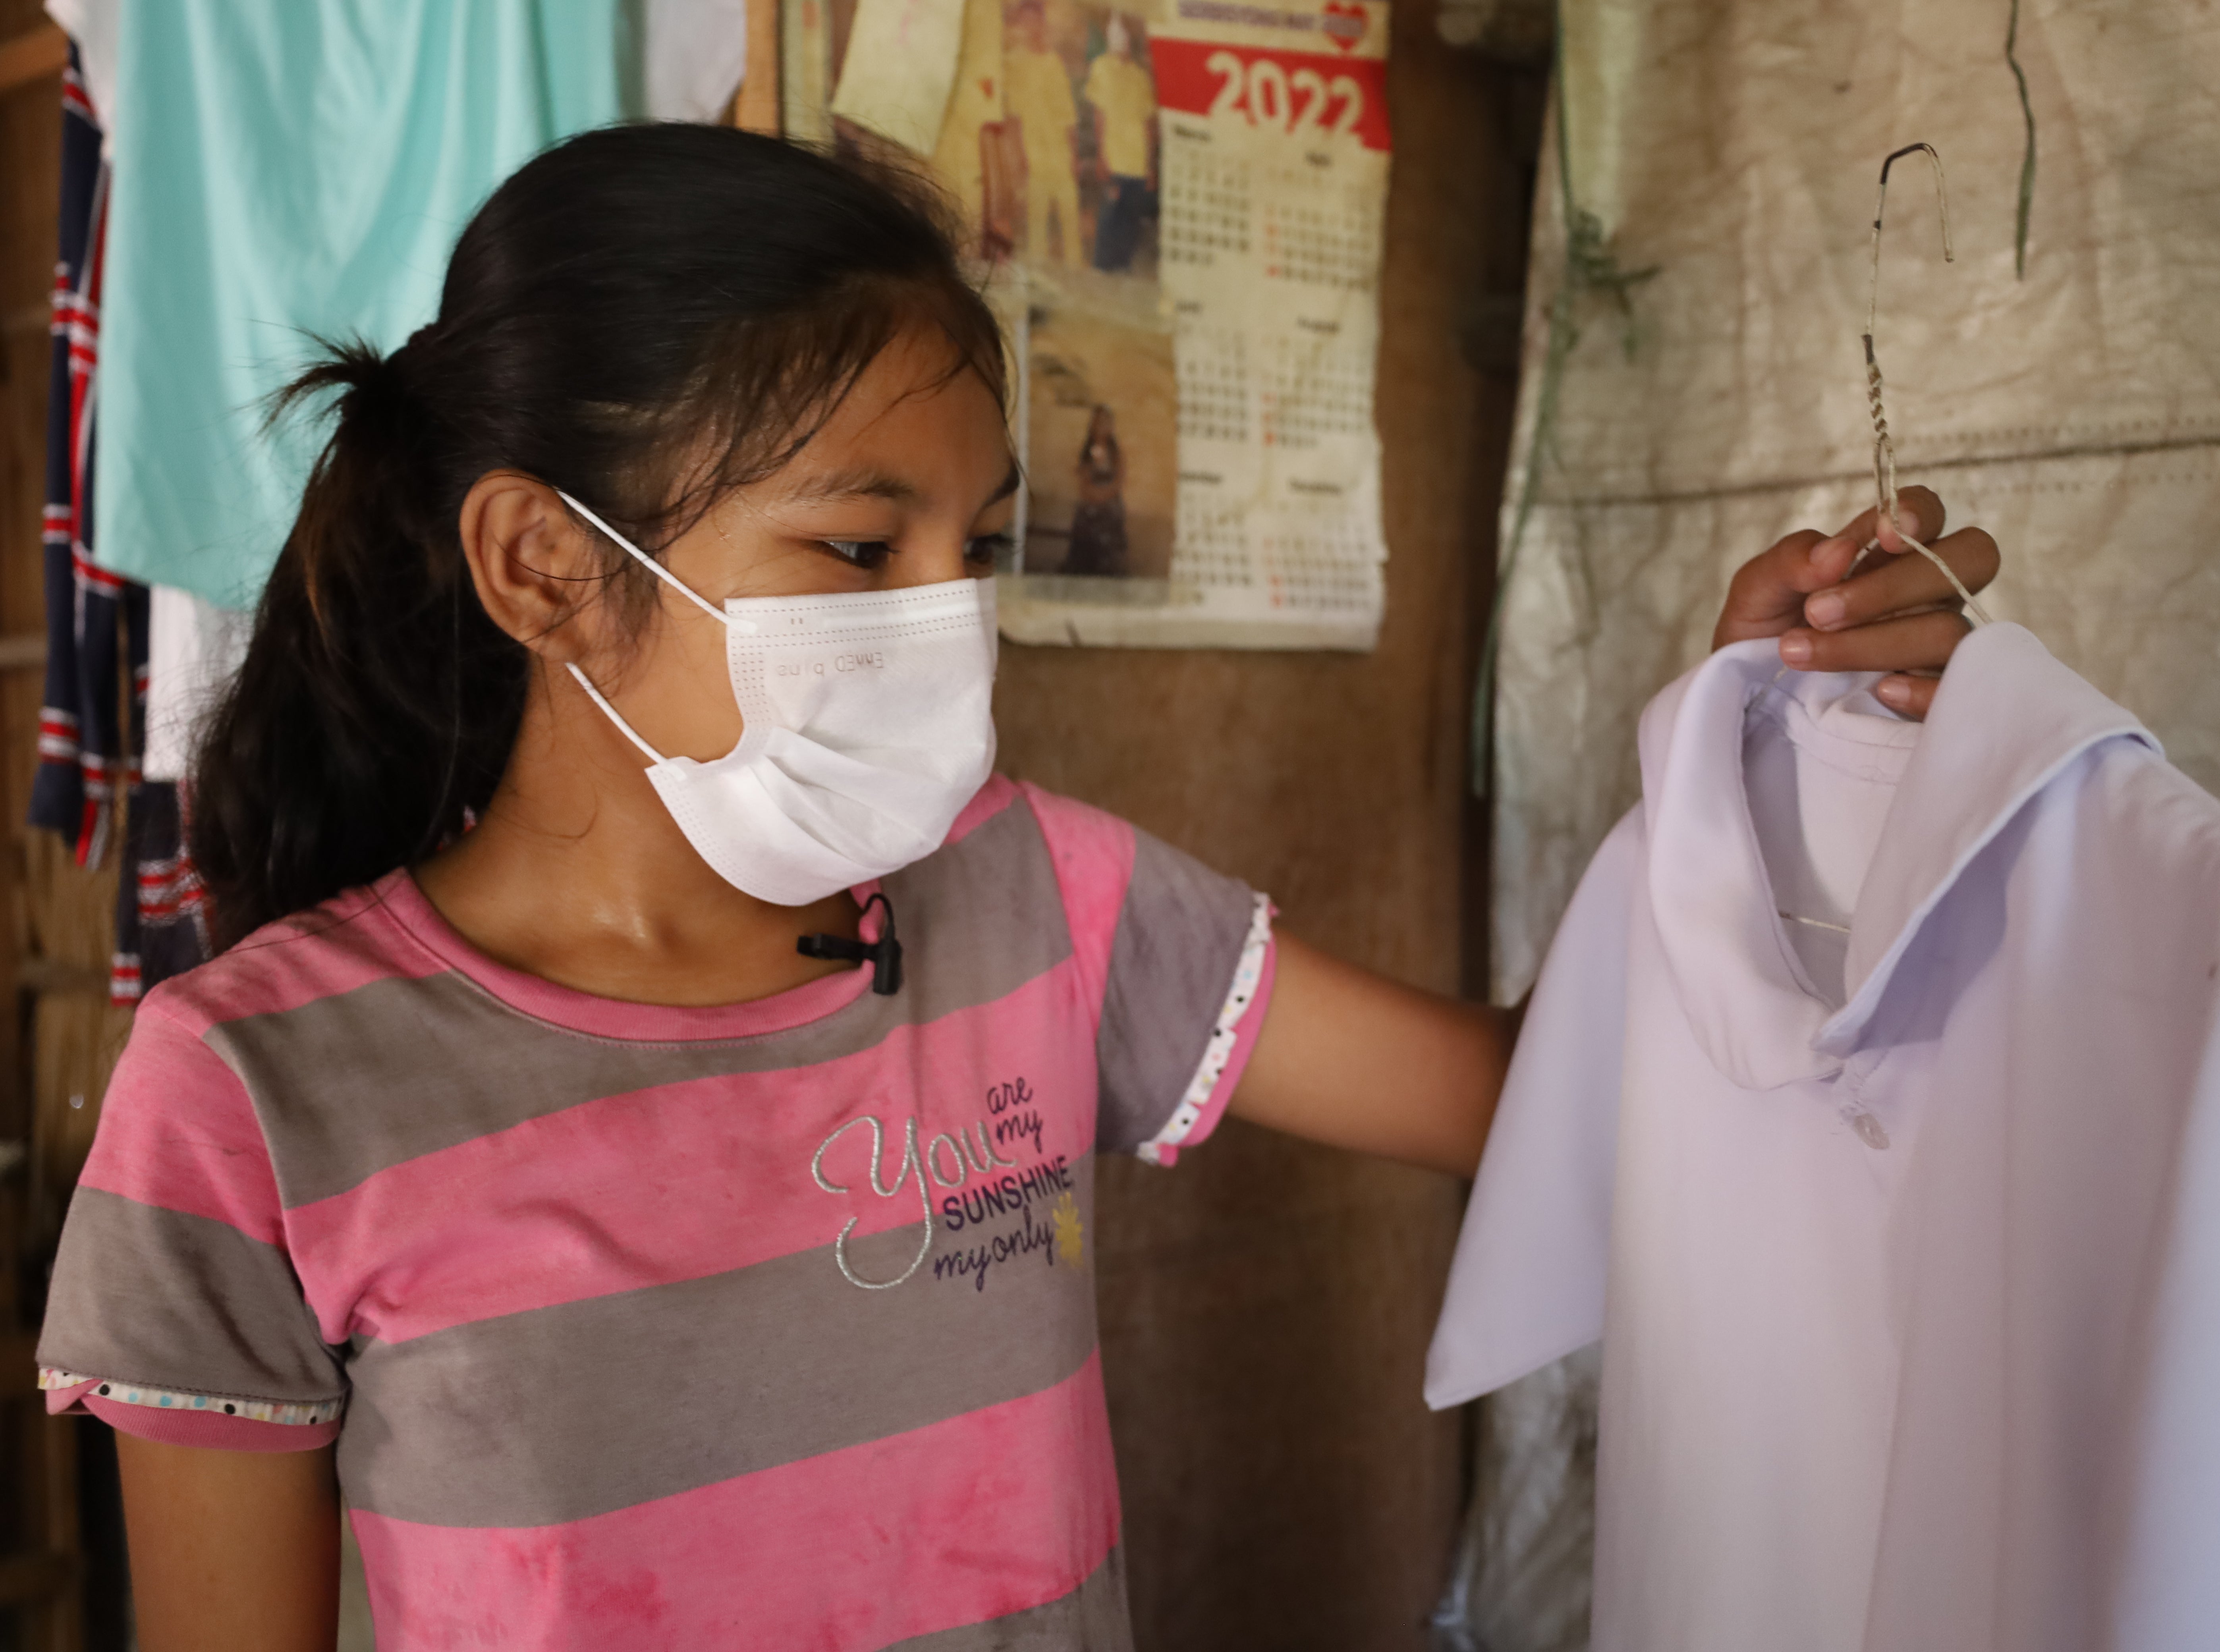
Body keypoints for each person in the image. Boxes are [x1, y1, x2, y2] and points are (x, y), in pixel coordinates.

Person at [32, 126, 1995, 1650]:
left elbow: (1534, 1099)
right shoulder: (252, 1095)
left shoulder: (1028, 898)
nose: (945, 627)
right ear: (546, 568)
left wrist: (1742, 743)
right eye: (857, 548)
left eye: (974, 549)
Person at [1004, 0, 1085, 265]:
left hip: (1059, 152)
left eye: (1036, 20)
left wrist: (1073, 154)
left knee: (1070, 216)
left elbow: (1067, 114)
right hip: (1032, 152)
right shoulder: (1014, 62)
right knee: (1037, 219)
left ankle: (1075, 272)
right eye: (1025, 22)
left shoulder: (1054, 62)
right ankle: (1038, 273)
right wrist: (1019, 156)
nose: (1032, 27)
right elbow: (1013, 118)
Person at [1083, 14, 1157, 274]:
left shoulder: (1141, 77)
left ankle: (1122, 269)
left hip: (1137, 163)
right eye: (1116, 32)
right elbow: (1099, 116)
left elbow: (1148, 125)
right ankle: (1102, 270)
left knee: (1131, 223)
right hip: (1114, 159)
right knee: (1110, 219)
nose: (1121, 39)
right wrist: (1102, 155)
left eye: (1124, 33)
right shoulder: (1101, 67)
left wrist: (1150, 167)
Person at [1064, 403, 1130, 575]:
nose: (1101, 426)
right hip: (1089, 510)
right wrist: (1094, 496)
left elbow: (1118, 482)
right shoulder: (1087, 453)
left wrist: (1103, 497)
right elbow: (1084, 485)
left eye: (1105, 422)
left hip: (1110, 510)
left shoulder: (1116, 454)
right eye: (1098, 422)